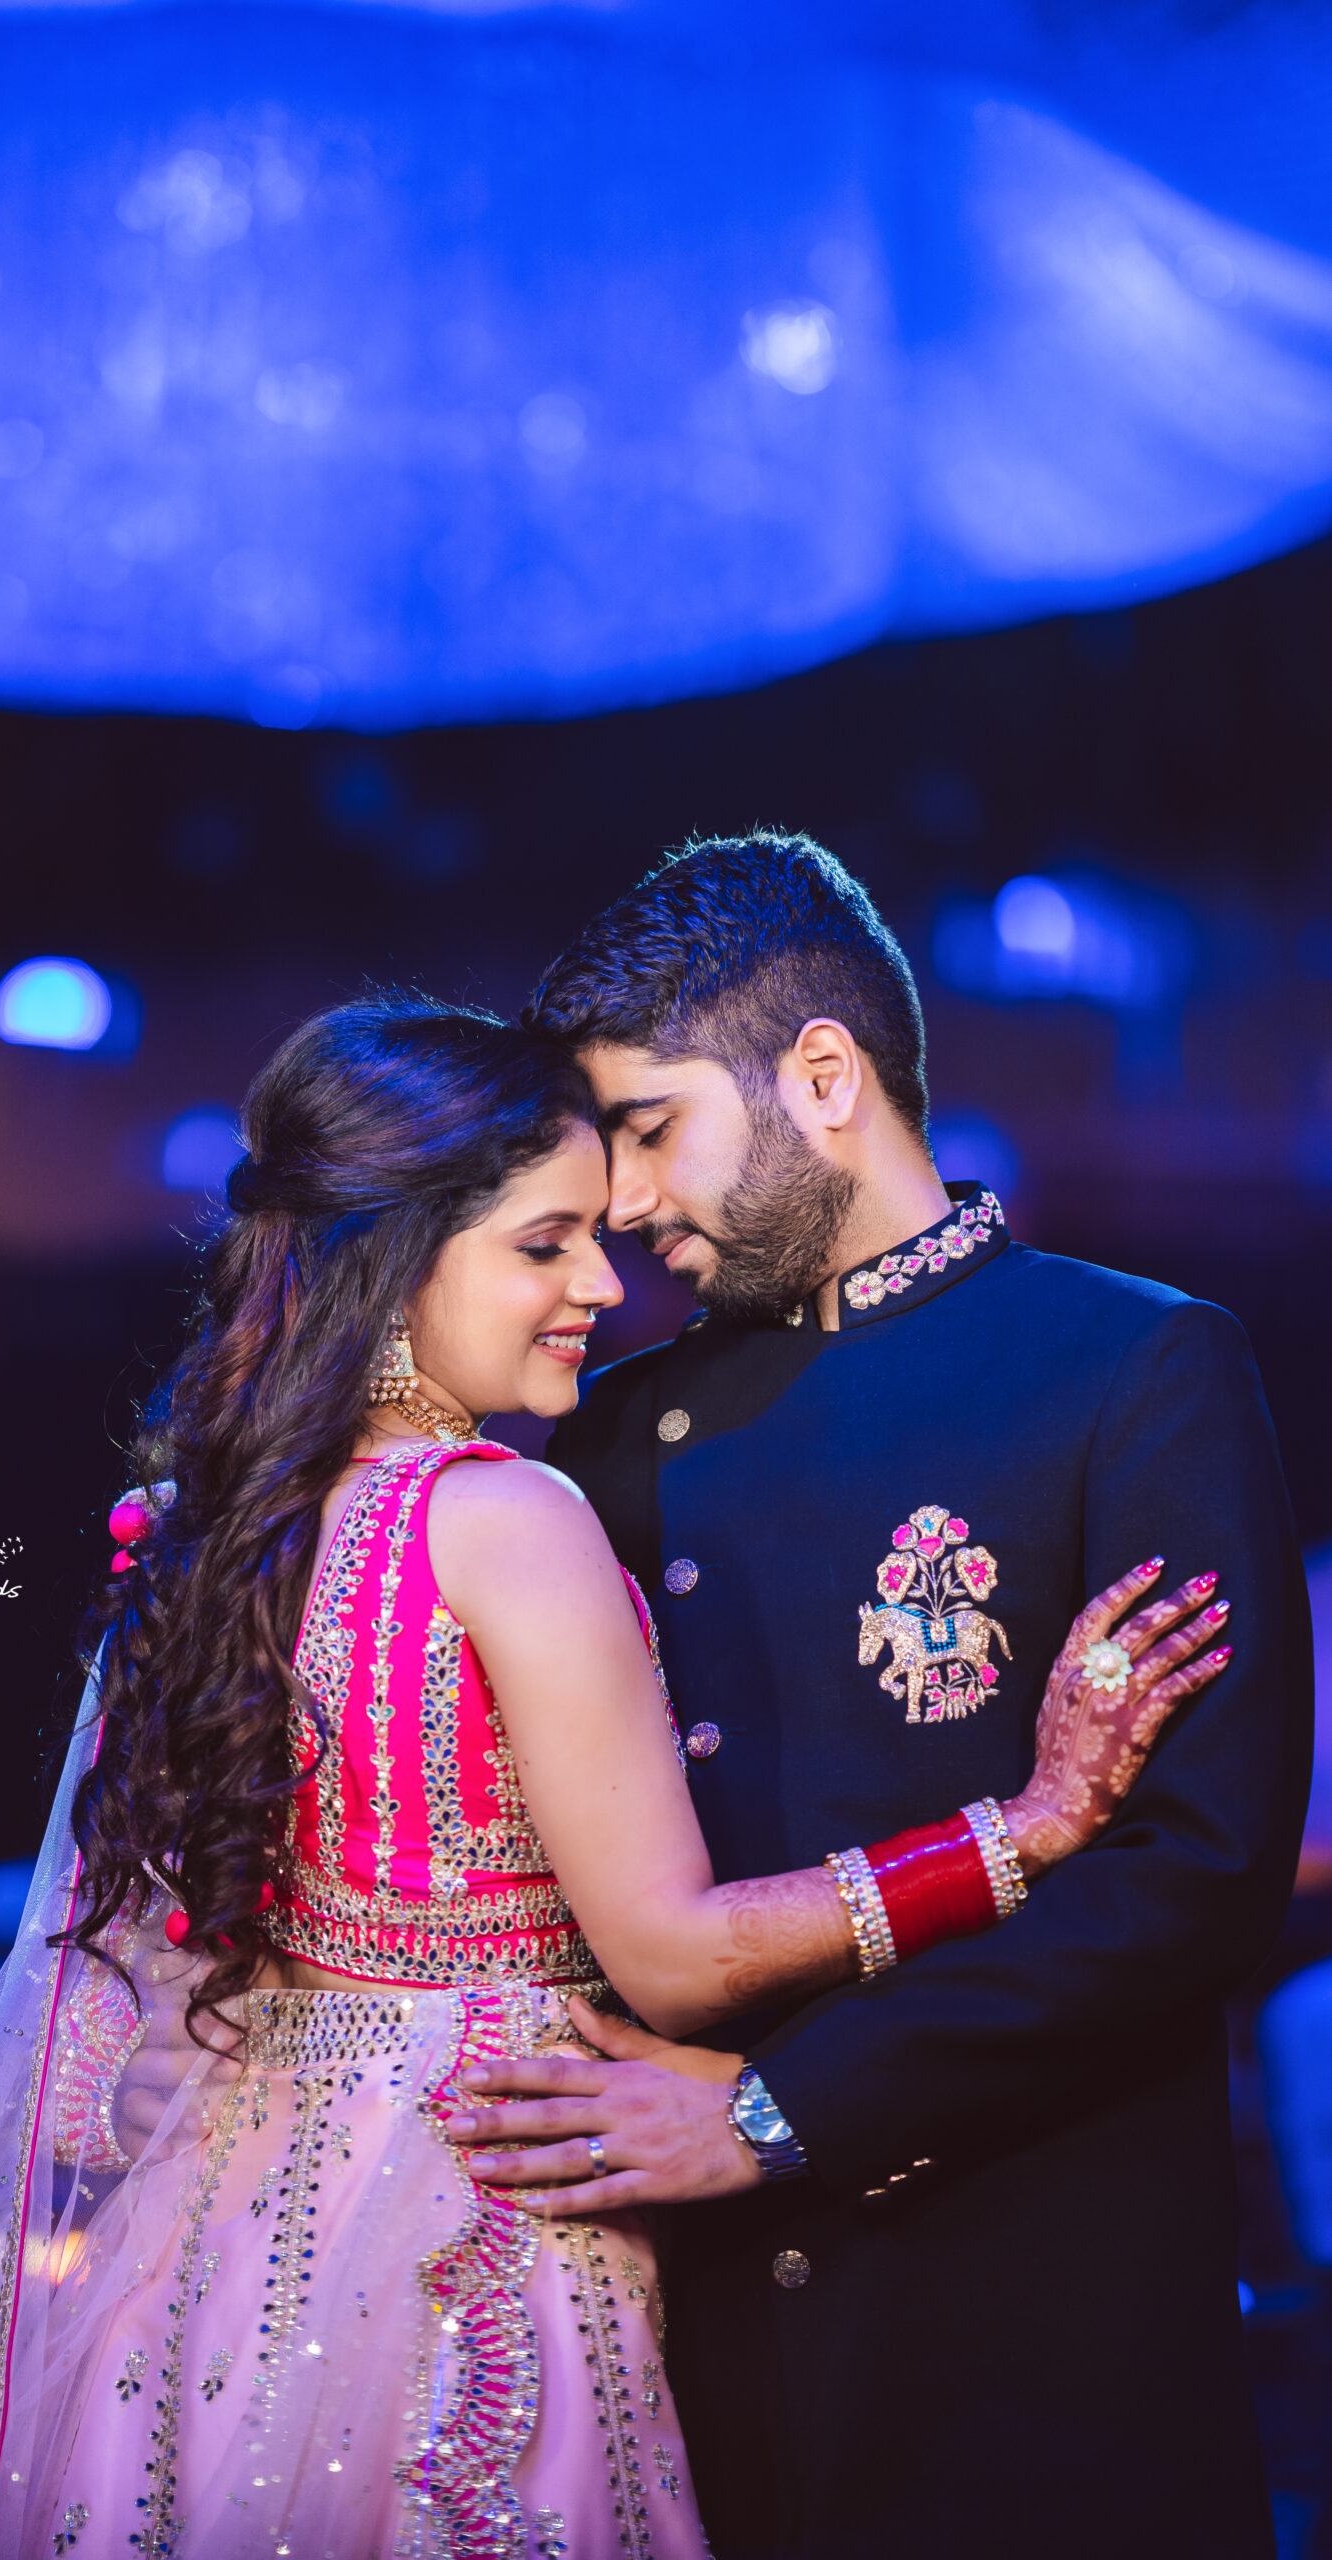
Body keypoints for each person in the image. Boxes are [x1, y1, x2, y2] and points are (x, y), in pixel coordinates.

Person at [0, 998, 1228, 2560]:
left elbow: (113, 2012)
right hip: (482, 2205)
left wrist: (204, 2057)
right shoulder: (505, 1518)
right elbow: (674, 1962)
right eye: (544, 1245)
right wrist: (1023, 1830)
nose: (599, 1286)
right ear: (397, 1256)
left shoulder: (204, 1532)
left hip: (214, 2237)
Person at [444, 831, 1314, 2560]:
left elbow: (1196, 1875)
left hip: (1025, 2291)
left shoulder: (1132, 1367)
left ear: (822, 1077)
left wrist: (776, 2116)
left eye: (649, 1127)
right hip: (674, 2310)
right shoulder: (610, 1435)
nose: (621, 1202)